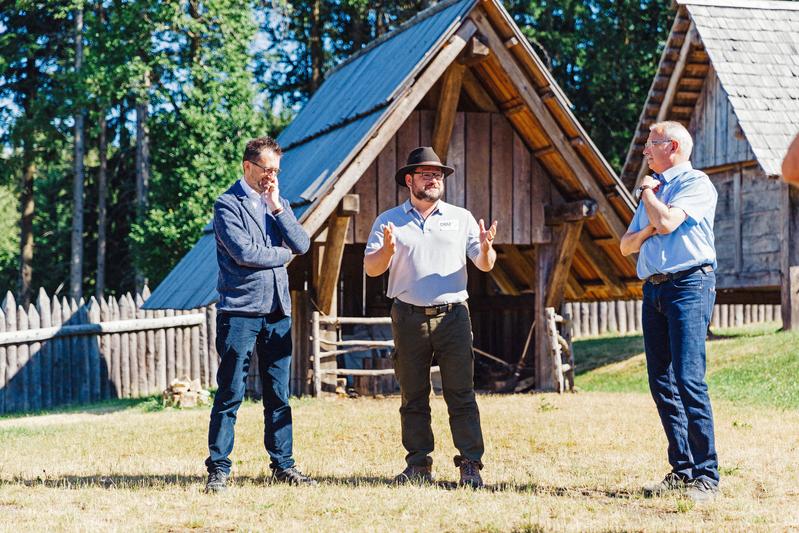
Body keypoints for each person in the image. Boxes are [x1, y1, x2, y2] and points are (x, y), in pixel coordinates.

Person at [363, 146, 497, 488]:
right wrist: (387, 250)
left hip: (454, 316)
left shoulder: (461, 217)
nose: (434, 180)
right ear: (409, 180)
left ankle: (470, 465)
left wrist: (484, 247)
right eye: (426, 174)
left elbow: (484, 264)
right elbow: (371, 268)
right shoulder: (388, 221)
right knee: (413, 395)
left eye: (438, 175)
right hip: (407, 316)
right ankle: (418, 465)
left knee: (461, 393)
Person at [204, 136, 312, 493]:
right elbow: (243, 253)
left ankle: (284, 465)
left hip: (277, 311)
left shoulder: (276, 203)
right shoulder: (226, 205)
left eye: (276, 171)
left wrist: (279, 208)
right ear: (247, 166)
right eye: (266, 170)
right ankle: (218, 469)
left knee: (279, 393)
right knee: (231, 391)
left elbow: (302, 244)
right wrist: (282, 256)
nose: (271, 177)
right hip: (239, 312)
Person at [620, 121, 720, 503]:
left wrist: (648, 193)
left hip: (689, 285)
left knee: (688, 379)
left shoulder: (695, 183)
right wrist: (648, 228)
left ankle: (706, 475)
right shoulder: (655, 192)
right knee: (661, 382)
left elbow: (666, 221)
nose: (644, 151)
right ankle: (682, 469)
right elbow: (626, 245)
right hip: (655, 289)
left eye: (651, 144)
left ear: (672, 146)